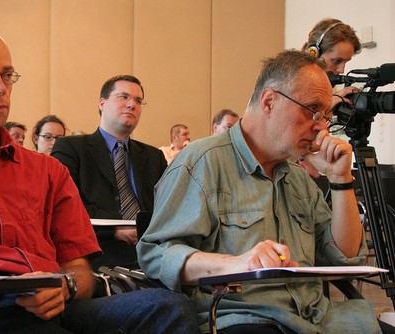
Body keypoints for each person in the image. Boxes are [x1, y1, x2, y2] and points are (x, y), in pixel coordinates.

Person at [0, 26, 200, 334]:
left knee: (170, 309)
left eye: (7, 75)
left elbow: (81, 272)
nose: (0, 87)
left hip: (48, 306)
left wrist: (65, 286)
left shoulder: (47, 171)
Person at [137, 50, 383, 333]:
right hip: (244, 319)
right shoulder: (203, 163)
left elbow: (344, 255)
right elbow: (157, 255)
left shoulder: (297, 179)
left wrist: (340, 180)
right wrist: (237, 264)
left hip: (317, 318)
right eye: (313, 110)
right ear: (269, 101)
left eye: (326, 115)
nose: (321, 127)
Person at [51, 75, 167, 271]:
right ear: (102, 103)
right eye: (123, 97)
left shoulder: (153, 157)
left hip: (152, 249)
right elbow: (63, 206)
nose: (132, 105)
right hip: (97, 248)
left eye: (138, 101)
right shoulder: (71, 148)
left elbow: (167, 207)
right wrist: (114, 230)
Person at [300, 18, 362, 178]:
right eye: (337, 61)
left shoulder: (327, 87)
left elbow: (312, 145)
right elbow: (297, 142)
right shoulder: (291, 83)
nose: (341, 70)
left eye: (346, 62)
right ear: (314, 52)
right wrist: (327, 106)